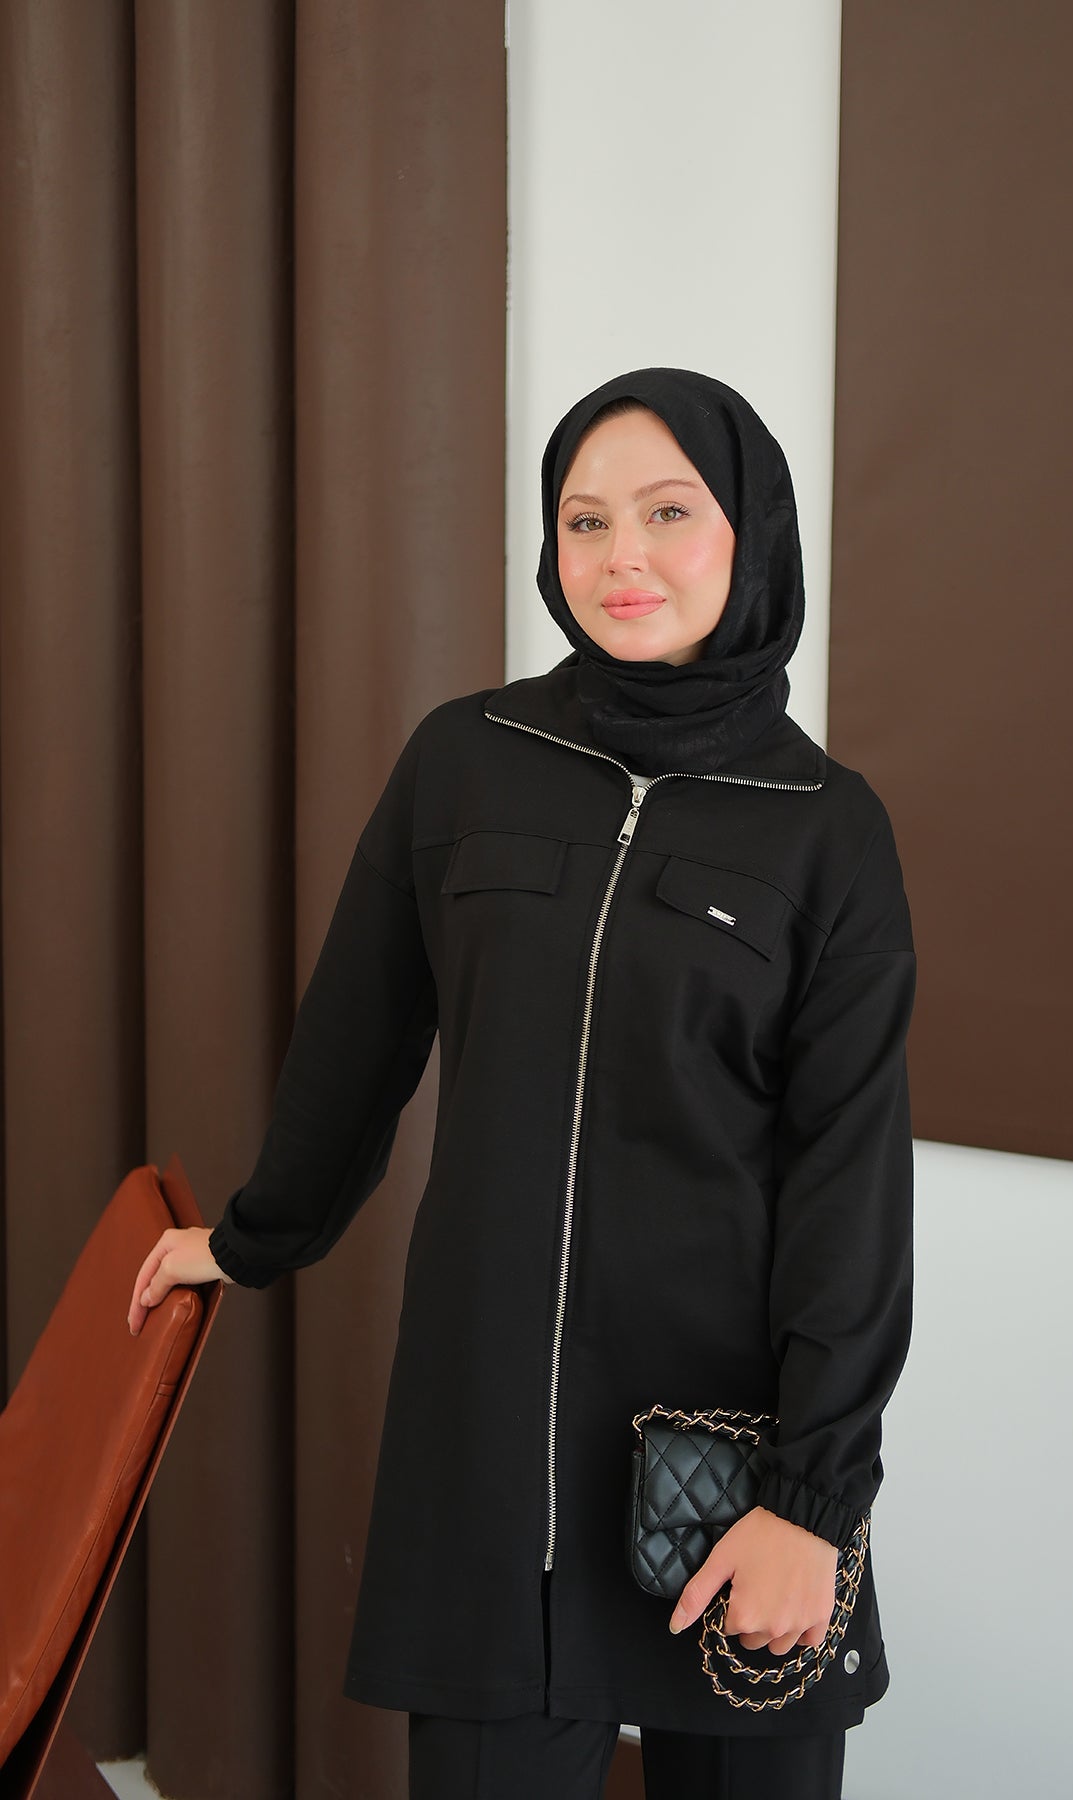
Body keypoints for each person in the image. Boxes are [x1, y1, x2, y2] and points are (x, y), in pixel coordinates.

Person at [128, 367, 916, 1800]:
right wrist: (252, 1237)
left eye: (668, 512)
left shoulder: (827, 829)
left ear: (751, 531)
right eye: (584, 520)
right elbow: (356, 1038)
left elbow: (849, 1184)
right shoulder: (469, 760)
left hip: (732, 1466)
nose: (622, 558)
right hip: (491, 1454)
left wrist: (814, 1499)